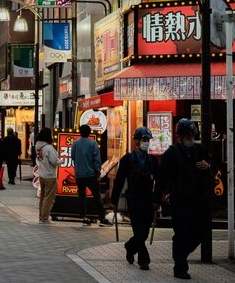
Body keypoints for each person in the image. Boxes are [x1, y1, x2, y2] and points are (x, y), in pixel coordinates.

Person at [153, 118, 213, 280]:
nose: (189, 138)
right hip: (179, 200)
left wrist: (208, 166)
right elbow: (161, 178)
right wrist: (157, 199)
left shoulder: (200, 150)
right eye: (186, 135)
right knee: (181, 233)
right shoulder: (170, 154)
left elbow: (213, 165)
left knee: (201, 231)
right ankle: (180, 266)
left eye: (191, 135)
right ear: (179, 136)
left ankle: (180, 254)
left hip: (198, 200)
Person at [111, 127, 157, 270]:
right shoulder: (127, 160)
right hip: (134, 198)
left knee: (145, 231)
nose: (146, 143)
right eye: (144, 140)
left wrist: (160, 197)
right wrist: (114, 199)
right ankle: (143, 259)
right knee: (138, 229)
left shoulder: (152, 160)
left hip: (148, 198)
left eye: (148, 140)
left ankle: (130, 246)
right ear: (136, 141)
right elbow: (119, 180)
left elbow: (160, 179)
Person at [71, 124, 112, 226]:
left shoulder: (75, 143)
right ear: (89, 132)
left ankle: (84, 217)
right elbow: (97, 160)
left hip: (79, 175)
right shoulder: (93, 143)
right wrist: (97, 172)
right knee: (97, 196)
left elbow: (72, 157)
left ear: (80, 132)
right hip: (90, 175)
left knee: (81, 196)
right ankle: (102, 218)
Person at [34, 127, 60, 223]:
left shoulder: (38, 147)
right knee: (49, 198)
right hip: (50, 175)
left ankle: (41, 216)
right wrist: (60, 161)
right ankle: (45, 217)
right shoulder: (49, 148)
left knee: (43, 197)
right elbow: (54, 161)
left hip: (42, 175)